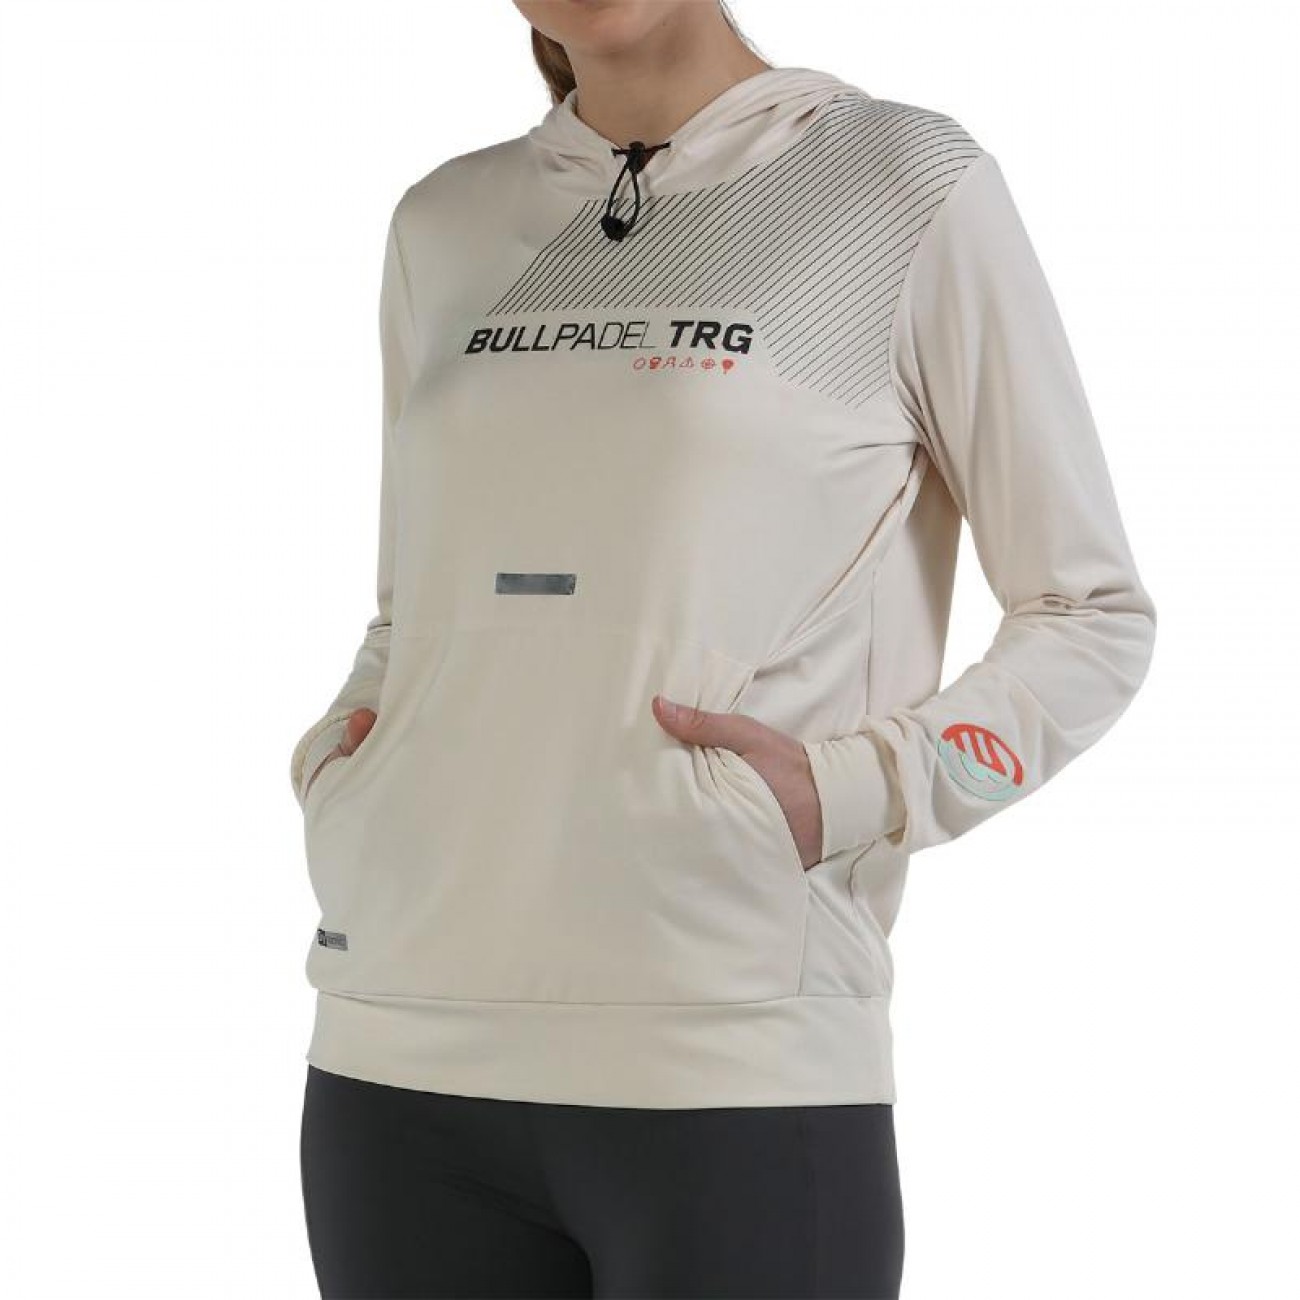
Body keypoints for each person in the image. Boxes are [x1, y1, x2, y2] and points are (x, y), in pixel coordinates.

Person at [292, 2, 1157, 1296]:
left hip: (732, 1056)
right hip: (395, 1050)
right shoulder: (444, 222)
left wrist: (857, 791)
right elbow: (413, 603)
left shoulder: (902, 185)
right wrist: (351, 756)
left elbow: (1092, 616)